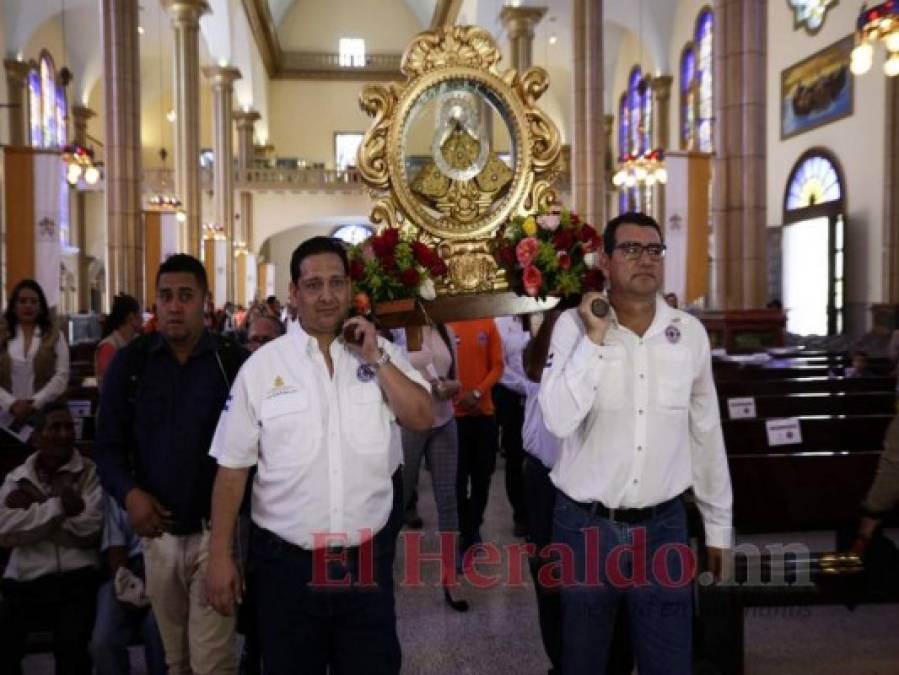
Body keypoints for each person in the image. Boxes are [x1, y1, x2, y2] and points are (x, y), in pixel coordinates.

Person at [204, 236, 432, 674]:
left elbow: (422, 416)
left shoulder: (379, 354)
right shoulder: (262, 368)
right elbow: (232, 469)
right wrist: (220, 556)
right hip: (287, 568)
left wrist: (377, 360)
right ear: (294, 292)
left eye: (336, 283)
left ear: (349, 289)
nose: (326, 296)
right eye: (313, 285)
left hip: (365, 562)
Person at [539, 212, 733, 674]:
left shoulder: (688, 335)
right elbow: (558, 419)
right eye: (630, 249)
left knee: (669, 661)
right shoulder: (572, 327)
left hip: (662, 528)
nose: (644, 259)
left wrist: (718, 530)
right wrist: (596, 338)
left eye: (654, 249)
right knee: (585, 661)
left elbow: (707, 435)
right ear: (605, 260)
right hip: (586, 529)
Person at [94, 254, 247, 674]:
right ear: (154, 303)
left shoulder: (231, 362)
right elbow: (106, 447)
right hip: (157, 535)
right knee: (173, 661)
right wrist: (130, 494)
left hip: (215, 533)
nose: (174, 306)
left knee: (212, 662)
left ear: (205, 301)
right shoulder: (132, 364)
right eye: (165, 297)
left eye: (185, 296)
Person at [0, 402, 104, 674]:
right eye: (54, 427)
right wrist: (59, 507)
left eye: (69, 426)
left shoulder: (90, 472)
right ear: (36, 437)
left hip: (76, 577)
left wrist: (33, 508)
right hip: (24, 578)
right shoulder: (17, 477)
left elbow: (88, 530)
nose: (64, 434)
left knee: (72, 652)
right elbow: (3, 531)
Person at [397, 324, 461, 546]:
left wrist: (447, 386)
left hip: (444, 422)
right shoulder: (400, 331)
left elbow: (457, 381)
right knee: (399, 495)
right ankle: (383, 559)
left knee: (447, 497)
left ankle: (450, 563)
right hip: (410, 424)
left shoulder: (447, 332)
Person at [90, 494, 167, 675]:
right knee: (103, 639)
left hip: (164, 563)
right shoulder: (117, 491)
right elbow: (115, 549)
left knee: (157, 629)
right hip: (127, 568)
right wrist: (127, 586)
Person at [447, 318, 504, 556]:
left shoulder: (488, 324)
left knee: (482, 477)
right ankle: (465, 530)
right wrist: (460, 395)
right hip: (454, 416)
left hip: (484, 414)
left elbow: (498, 366)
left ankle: (473, 527)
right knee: (458, 480)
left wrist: (478, 392)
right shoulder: (447, 325)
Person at [0, 279, 70, 426]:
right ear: (13, 306)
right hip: (5, 414)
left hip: (45, 415)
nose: (28, 305)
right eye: (22, 301)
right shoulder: (1, 335)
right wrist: (12, 404)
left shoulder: (55, 335)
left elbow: (62, 375)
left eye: (33, 301)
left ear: (40, 306)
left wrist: (35, 403)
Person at [494, 314, 531, 537]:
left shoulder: (548, 316)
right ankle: (521, 514)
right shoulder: (501, 323)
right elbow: (501, 367)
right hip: (513, 395)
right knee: (515, 456)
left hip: (546, 393)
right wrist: (525, 386)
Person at [95, 293, 142, 389]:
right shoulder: (109, 347)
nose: (142, 318)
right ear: (131, 317)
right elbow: (112, 386)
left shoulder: (135, 341)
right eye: (139, 314)